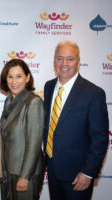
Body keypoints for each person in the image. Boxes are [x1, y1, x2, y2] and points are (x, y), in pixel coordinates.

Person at [44, 40, 109, 200]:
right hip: (52, 171)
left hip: (78, 176)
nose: (64, 63)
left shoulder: (94, 93)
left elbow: (99, 138)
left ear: (78, 62)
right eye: (60, 58)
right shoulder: (48, 86)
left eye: (70, 59)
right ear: (54, 61)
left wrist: (88, 173)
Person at [0, 59, 45, 200]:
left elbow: (34, 144)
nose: (14, 81)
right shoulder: (8, 101)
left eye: (19, 76)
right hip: (8, 172)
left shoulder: (33, 102)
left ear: (28, 77)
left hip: (25, 174)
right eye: (10, 76)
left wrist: (25, 176)